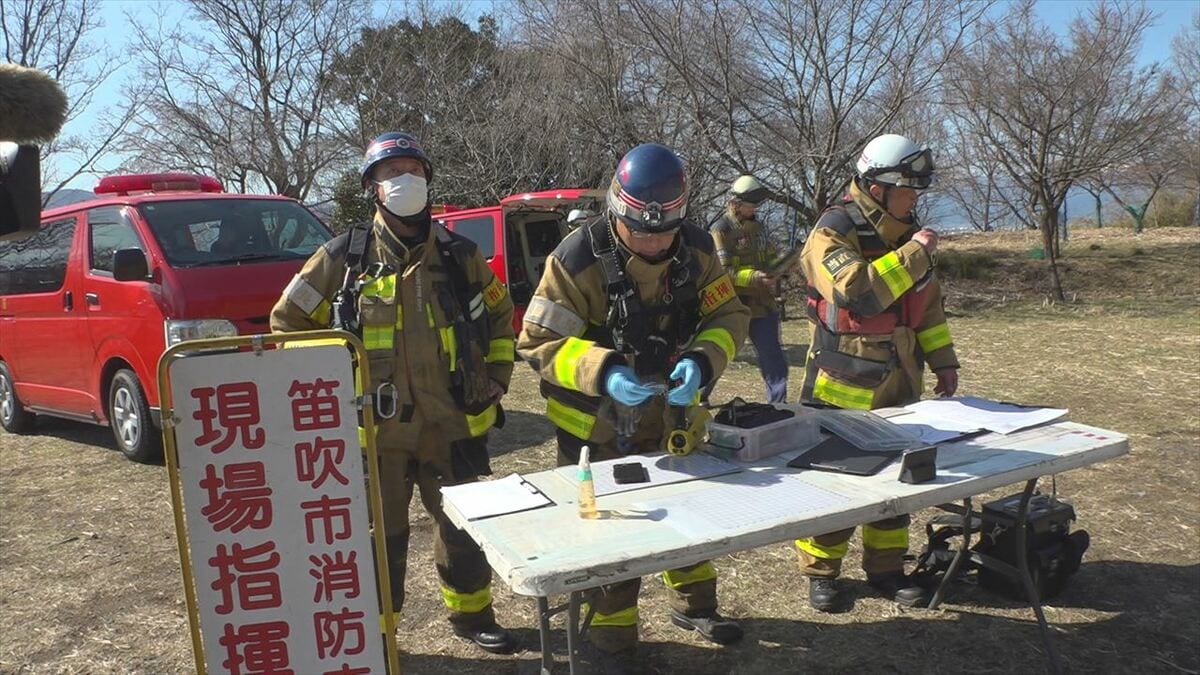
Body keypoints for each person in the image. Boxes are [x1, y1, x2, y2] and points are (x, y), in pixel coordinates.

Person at [270, 131, 518, 654]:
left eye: (413, 170)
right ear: (372, 188)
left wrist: (497, 376)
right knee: (378, 537)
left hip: (453, 423)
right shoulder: (342, 257)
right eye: (390, 172)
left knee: (463, 527)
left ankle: (473, 617)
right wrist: (329, 389)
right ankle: (379, 634)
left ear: (428, 180)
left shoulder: (460, 255)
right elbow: (286, 321)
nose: (404, 180)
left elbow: (499, 314)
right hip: (374, 433)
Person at [517, 143, 750, 671]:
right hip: (596, 425)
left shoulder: (696, 250)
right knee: (614, 532)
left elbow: (729, 315)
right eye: (640, 231)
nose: (652, 242)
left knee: (688, 514)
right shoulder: (576, 259)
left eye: (663, 231)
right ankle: (611, 642)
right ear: (617, 213)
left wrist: (702, 360)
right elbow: (537, 341)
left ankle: (696, 608)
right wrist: (604, 371)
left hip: (673, 413)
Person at [795, 133, 960, 613]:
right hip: (842, 382)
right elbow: (858, 292)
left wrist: (944, 365)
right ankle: (821, 572)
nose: (915, 199)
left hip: (902, 383)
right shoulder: (832, 231)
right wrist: (917, 253)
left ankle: (887, 569)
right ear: (879, 186)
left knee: (900, 480)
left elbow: (926, 310)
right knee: (837, 481)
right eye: (909, 189)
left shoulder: (907, 236)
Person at [707, 175, 789, 403]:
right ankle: (699, 396)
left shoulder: (759, 228)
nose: (755, 209)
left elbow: (770, 256)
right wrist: (755, 278)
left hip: (763, 307)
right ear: (736, 203)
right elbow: (725, 273)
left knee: (773, 358)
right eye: (751, 204)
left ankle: (779, 405)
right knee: (719, 355)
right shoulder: (721, 229)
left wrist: (783, 264)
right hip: (735, 307)